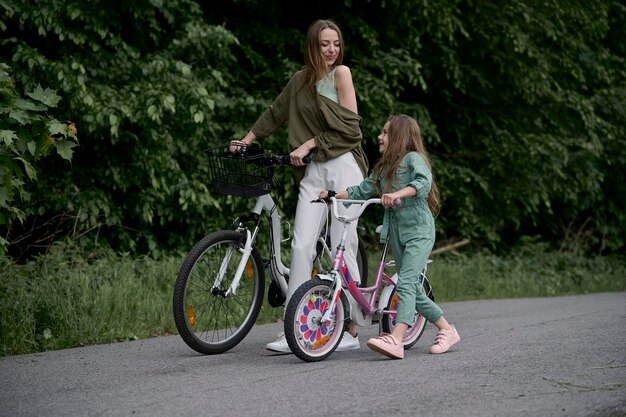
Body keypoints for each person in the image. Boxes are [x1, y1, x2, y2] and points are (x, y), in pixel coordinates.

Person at [231, 19, 368, 353]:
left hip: (344, 168)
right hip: (313, 174)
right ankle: (295, 327)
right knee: (302, 246)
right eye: (325, 43)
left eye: (336, 43)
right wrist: (247, 139)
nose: (332, 49)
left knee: (341, 245)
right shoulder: (299, 81)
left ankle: (349, 329)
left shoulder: (341, 75)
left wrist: (308, 144)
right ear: (312, 46)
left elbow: (352, 130)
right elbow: (275, 113)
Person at [319, 114, 460, 359]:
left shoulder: (413, 159)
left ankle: (396, 339)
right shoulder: (384, 168)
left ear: (399, 137)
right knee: (411, 289)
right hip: (396, 230)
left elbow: (422, 183)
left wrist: (398, 195)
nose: (380, 137)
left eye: (385, 133)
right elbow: (362, 189)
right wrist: (333, 195)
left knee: (405, 283)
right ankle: (447, 330)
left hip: (418, 230)